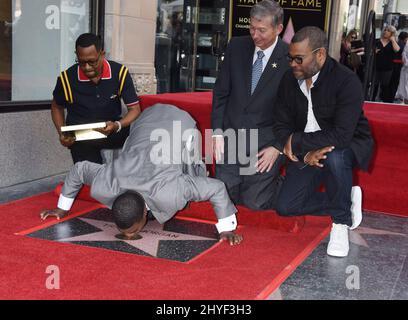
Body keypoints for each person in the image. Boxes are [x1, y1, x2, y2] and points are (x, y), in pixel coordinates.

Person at [40, 104, 243, 245]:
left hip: (179, 124)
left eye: (135, 231)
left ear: (145, 214)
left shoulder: (171, 191)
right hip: (144, 121)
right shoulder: (107, 182)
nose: (130, 237)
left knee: (192, 167)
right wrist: (62, 209)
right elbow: (79, 169)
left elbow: (216, 187)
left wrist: (226, 228)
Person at [272, 26, 374, 257]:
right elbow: (280, 124)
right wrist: (304, 153)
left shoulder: (346, 81)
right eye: (290, 58)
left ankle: (340, 222)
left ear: (320, 54)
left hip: (343, 146)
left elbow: (341, 135)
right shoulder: (289, 80)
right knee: (286, 206)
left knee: (336, 156)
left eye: (299, 58)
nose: (292, 64)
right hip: (306, 152)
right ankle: (344, 198)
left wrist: (298, 142)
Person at [211, 0, 289, 210]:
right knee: (226, 196)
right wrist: (217, 132)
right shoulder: (236, 46)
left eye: (262, 30)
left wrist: (278, 147)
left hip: (266, 141)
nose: (255, 35)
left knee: (255, 202)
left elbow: (296, 110)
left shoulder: (290, 58)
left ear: (279, 29)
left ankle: (284, 184)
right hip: (232, 136)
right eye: (252, 28)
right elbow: (221, 93)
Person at [51, 33, 141, 164]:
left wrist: (117, 125)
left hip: (112, 130)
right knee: (93, 177)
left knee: (140, 138)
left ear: (102, 54)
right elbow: (56, 107)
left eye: (92, 61)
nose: (87, 67)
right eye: (81, 62)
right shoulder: (66, 78)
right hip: (81, 136)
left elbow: (135, 109)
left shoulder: (119, 73)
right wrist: (61, 133)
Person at [374, 25, 400, 103]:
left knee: (385, 86)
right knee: (374, 85)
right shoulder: (377, 41)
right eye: (385, 30)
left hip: (387, 68)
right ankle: (372, 99)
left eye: (388, 31)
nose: (385, 31)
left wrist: (393, 40)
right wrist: (374, 52)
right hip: (376, 67)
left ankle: (383, 101)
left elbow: (397, 50)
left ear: (392, 33)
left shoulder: (393, 43)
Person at [392, 31, 408, 103]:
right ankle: (403, 98)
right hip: (402, 66)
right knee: (402, 83)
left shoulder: (402, 43)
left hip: (402, 66)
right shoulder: (404, 44)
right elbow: (403, 53)